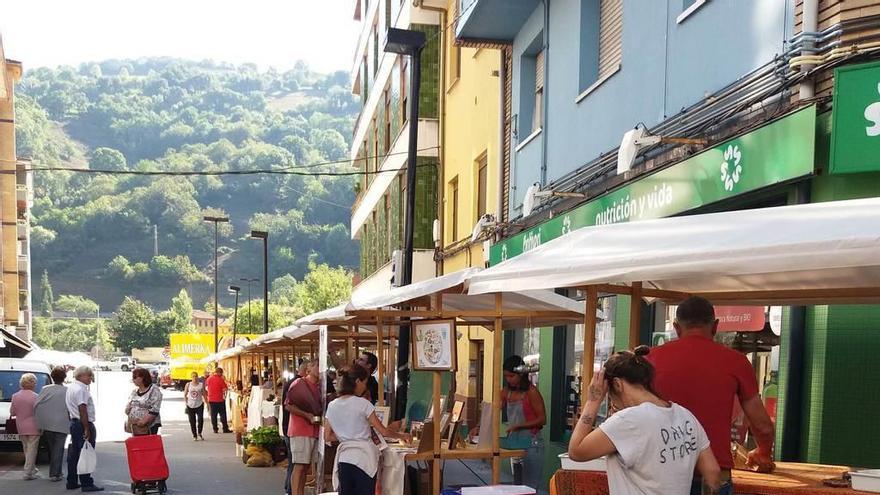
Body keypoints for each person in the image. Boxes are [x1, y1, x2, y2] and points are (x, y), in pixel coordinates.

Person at [648, 296, 776, 495]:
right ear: (715, 326)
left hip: (659, 473)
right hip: (713, 476)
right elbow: (763, 426)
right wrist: (763, 453)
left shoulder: (650, 360)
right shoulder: (736, 362)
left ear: (676, 327)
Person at [569, 347, 721, 495]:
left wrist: (593, 401)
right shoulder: (686, 416)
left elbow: (576, 451)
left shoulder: (628, 420)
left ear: (617, 384)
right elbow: (712, 473)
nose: (613, 403)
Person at [324, 365, 411, 495]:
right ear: (358, 382)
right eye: (364, 383)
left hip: (344, 458)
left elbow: (327, 436)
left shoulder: (332, 405)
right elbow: (384, 431)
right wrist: (402, 436)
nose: (365, 387)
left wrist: (347, 435)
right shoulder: (363, 404)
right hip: (363, 458)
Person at [469, 355, 547, 488]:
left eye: (511, 376)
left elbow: (542, 419)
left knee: (530, 487)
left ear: (521, 375)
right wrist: (479, 427)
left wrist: (519, 425)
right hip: (515, 443)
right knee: (517, 487)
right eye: (506, 376)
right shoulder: (506, 393)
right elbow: (493, 411)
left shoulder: (532, 392)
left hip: (532, 444)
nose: (508, 379)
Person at [285, 360, 322, 495]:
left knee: (306, 467)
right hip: (300, 430)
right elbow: (288, 405)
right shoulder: (299, 383)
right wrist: (307, 415)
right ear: (309, 368)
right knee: (299, 466)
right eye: (317, 365)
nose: (320, 368)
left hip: (314, 431)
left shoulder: (319, 387)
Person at [66, 365, 103, 492]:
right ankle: (86, 482)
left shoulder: (72, 387)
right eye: (89, 375)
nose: (91, 378)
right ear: (81, 375)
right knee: (85, 453)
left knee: (75, 454)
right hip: (82, 423)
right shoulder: (81, 389)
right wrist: (86, 428)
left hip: (75, 423)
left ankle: (71, 481)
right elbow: (82, 409)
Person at [35, 366, 70, 482]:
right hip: (62, 423)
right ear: (64, 378)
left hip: (47, 424)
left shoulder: (45, 389)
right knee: (58, 449)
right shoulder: (67, 391)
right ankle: (55, 473)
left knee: (52, 448)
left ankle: (57, 472)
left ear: (52, 377)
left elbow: (36, 404)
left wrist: (39, 420)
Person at [10, 373, 40, 480]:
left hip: (21, 425)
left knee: (26, 448)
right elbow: (39, 412)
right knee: (32, 449)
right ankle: (28, 472)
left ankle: (31, 468)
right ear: (32, 384)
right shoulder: (36, 397)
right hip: (34, 426)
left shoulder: (15, 396)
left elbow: (12, 412)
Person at [126, 367, 163, 436]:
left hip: (148, 426)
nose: (133, 380)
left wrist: (144, 421)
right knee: (136, 446)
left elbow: (155, 408)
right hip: (135, 425)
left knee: (146, 445)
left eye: (135, 377)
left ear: (143, 378)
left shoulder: (154, 390)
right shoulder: (135, 391)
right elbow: (129, 405)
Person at [206, 367, 232, 433]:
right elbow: (225, 389)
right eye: (221, 373)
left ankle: (215, 429)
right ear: (219, 372)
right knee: (222, 414)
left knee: (213, 415)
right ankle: (225, 428)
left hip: (211, 399)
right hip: (220, 399)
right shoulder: (220, 379)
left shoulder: (209, 379)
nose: (221, 374)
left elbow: (206, 387)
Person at [184, 371, 207, 440]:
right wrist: (186, 403)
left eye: (196, 376)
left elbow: (204, 394)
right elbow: (185, 395)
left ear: (198, 377)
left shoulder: (201, 385)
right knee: (192, 421)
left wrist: (207, 404)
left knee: (200, 420)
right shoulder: (188, 385)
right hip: (190, 405)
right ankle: (194, 435)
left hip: (199, 404)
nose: (195, 378)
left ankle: (199, 432)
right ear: (191, 377)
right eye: (193, 376)